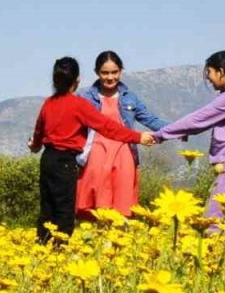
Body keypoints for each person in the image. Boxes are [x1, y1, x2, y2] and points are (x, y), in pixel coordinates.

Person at [29, 57, 156, 244]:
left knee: (47, 207)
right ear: (77, 80)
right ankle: (58, 251)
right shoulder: (79, 105)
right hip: (66, 162)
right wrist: (138, 137)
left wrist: (35, 145)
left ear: (55, 80)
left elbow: (39, 131)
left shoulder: (48, 103)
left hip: (47, 159)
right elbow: (107, 127)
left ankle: (41, 246)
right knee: (65, 210)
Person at [152, 50, 225, 227]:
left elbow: (197, 119)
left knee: (213, 216)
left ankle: (210, 250)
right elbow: (203, 122)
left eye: (209, 73)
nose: (208, 78)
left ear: (220, 72)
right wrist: (182, 132)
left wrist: (160, 135)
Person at [74, 50, 168, 218]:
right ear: (97, 73)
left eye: (114, 72)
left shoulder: (129, 97)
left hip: (124, 155)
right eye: (105, 73)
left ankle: (120, 242)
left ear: (121, 71)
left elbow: (150, 119)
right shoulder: (84, 97)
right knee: (96, 211)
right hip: (95, 156)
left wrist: (177, 130)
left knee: (122, 208)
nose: (110, 77)